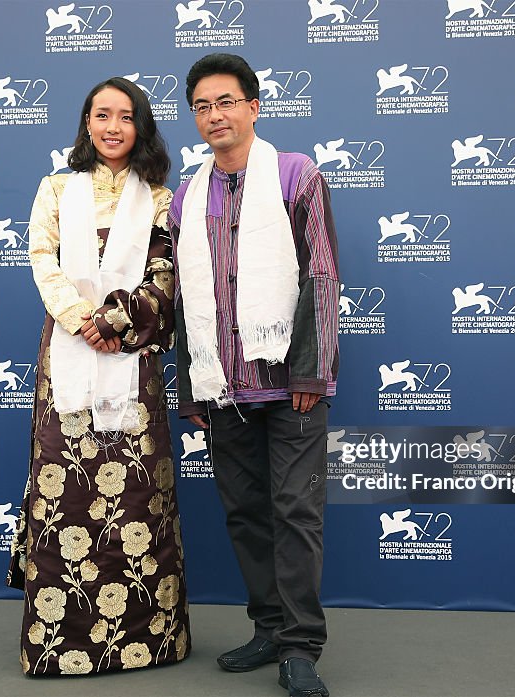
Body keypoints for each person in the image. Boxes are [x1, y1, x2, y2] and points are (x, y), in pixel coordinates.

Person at [168, 54, 340, 697]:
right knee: (245, 512)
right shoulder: (188, 193)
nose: (216, 115)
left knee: (296, 511)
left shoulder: (297, 175)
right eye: (203, 106)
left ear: (254, 106)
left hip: (290, 384)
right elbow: (187, 295)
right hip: (222, 386)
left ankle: (300, 648)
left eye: (227, 101)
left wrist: (310, 371)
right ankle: (268, 627)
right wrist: (190, 381)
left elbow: (320, 274)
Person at [8, 77, 190, 676]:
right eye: (101, 115)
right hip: (67, 355)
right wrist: (83, 321)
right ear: (86, 123)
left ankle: (152, 639)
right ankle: (60, 645)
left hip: (133, 358)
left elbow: (166, 275)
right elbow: (42, 259)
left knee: (140, 492)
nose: (113, 127)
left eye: (125, 116)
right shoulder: (55, 189)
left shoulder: (162, 199)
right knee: (66, 489)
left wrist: (114, 322)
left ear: (142, 126)